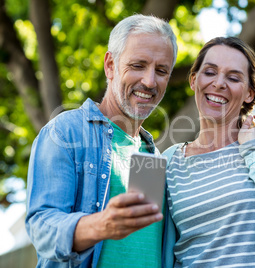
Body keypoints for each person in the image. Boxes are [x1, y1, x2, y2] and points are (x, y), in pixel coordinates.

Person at [25, 14, 178, 267]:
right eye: (138, 65)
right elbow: (41, 227)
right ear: (110, 65)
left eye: (161, 71)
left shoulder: (152, 156)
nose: (150, 81)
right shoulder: (65, 133)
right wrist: (101, 225)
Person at [161, 37, 255, 267]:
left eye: (233, 78)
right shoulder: (169, 161)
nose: (219, 83)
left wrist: (251, 147)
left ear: (249, 94)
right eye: (210, 72)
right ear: (194, 80)